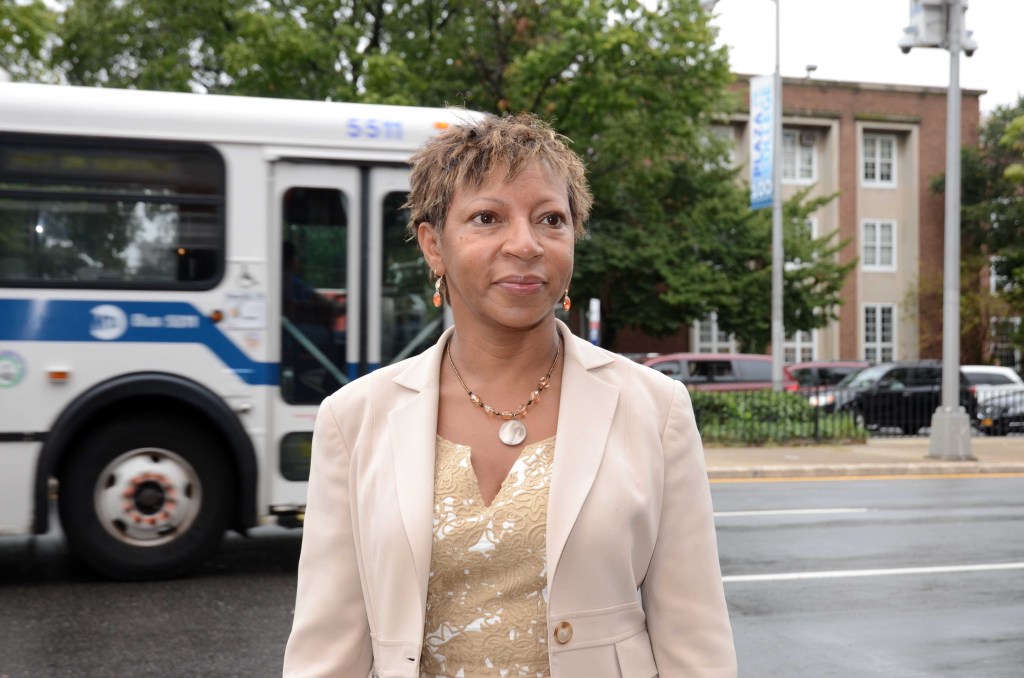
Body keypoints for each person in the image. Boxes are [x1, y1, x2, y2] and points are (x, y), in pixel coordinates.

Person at [283, 113, 736, 677]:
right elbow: (327, 648)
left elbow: (695, 641)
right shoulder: (354, 420)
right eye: (487, 217)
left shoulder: (656, 409)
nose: (525, 244)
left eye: (551, 219)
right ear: (433, 246)